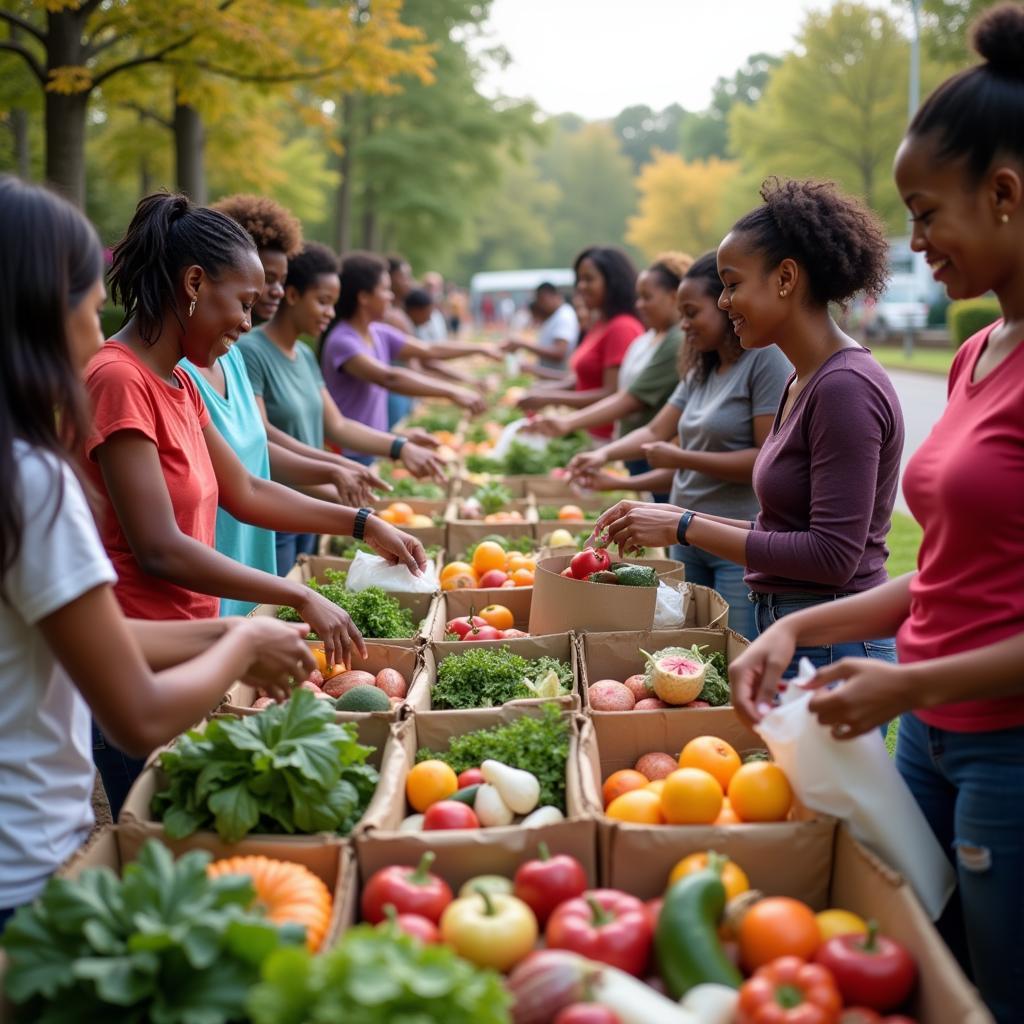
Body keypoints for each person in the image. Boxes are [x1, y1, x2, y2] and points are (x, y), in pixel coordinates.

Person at [730, 10, 1024, 1020]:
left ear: (1004, 193)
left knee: (991, 991)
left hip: (1004, 750)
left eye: (924, 210)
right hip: (924, 739)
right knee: (924, 973)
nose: (911, 243)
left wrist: (910, 684)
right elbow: (946, 570)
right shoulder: (972, 355)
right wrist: (800, 627)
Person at [0, 175, 317, 919]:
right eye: (85, 294)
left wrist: (242, 627)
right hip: (27, 863)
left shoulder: (163, 386)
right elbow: (136, 708)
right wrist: (242, 643)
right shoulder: (37, 472)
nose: (96, 314)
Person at [86, 194, 427, 809]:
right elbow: (159, 548)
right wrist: (296, 592)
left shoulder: (180, 380)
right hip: (141, 669)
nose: (248, 322)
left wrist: (360, 522)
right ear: (193, 283)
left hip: (196, 655)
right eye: (243, 303)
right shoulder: (118, 380)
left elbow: (245, 489)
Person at [592, 179, 904, 667]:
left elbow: (832, 556)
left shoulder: (845, 386)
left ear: (785, 278)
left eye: (733, 284)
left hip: (833, 645)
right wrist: (673, 521)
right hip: (797, 634)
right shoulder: (803, 379)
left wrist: (687, 525)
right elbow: (781, 528)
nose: (723, 302)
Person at [569, 254, 792, 637]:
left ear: (725, 307)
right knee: (691, 647)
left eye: (692, 313)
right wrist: (603, 454)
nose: (684, 325)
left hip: (731, 540)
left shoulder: (764, 361)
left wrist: (681, 456)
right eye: (681, 314)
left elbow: (763, 458)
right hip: (685, 534)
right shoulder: (702, 367)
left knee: (733, 647)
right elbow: (656, 429)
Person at [184, 197, 379, 607]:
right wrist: (342, 482)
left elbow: (251, 469)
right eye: (248, 298)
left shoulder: (232, 356)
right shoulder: (187, 369)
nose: (249, 321)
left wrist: (347, 486)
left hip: (258, 545)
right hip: (218, 569)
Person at [240, 242, 446, 571]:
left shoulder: (305, 355)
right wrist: (336, 472)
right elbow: (264, 438)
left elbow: (338, 425)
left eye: (333, 303)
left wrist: (399, 446)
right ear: (292, 296)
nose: (331, 313)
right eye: (322, 302)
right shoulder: (250, 352)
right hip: (277, 511)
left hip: (312, 504)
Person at [528, 254, 692, 500]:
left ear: (673, 296)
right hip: (633, 450)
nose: (640, 305)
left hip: (646, 455)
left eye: (647, 297)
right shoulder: (647, 339)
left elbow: (627, 398)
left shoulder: (674, 340)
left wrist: (568, 421)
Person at [320, 251, 493, 462]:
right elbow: (389, 377)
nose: (391, 296)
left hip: (373, 446)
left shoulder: (378, 332)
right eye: (384, 290)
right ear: (363, 296)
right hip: (349, 453)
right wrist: (452, 392)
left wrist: (479, 348)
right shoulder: (343, 341)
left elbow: (429, 350)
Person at [517, 247, 645, 440]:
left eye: (589, 279)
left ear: (612, 282)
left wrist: (550, 397)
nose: (581, 286)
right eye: (579, 280)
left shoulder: (622, 327)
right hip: (591, 433)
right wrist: (544, 391)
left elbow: (612, 394)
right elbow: (583, 381)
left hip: (609, 439)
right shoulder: (601, 324)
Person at [501, 281, 580, 377]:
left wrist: (522, 344)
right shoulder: (554, 316)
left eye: (543, 300)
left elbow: (559, 353)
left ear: (554, 296)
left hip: (559, 379)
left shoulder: (564, 316)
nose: (541, 305)